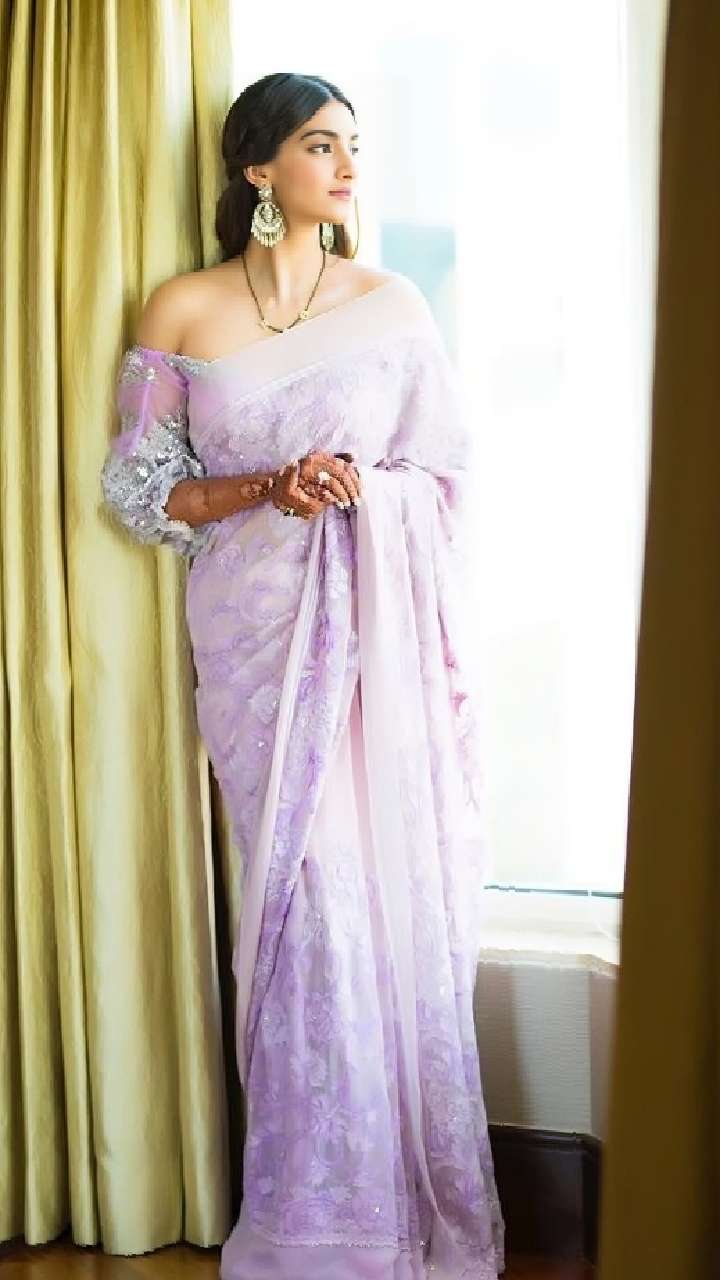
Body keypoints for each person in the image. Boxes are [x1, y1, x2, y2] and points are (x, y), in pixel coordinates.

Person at [100, 71, 506, 1280]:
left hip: (373, 647)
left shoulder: (392, 307)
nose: (347, 166)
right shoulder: (182, 309)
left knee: (372, 899)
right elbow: (140, 489)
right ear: (258, 167)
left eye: (353, 146)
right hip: (254, 645)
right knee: (305, 907)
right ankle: (312, 1218)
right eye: (321, 145)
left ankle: (388, 1213)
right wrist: (269, 486)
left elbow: (448, 478)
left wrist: (359, 489)